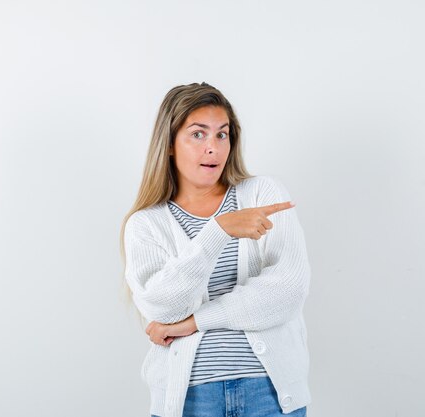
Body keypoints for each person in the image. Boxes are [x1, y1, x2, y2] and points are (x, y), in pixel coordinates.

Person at [120, 82, 311, 417]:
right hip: (190, 401)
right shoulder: (146, 224)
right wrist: (218, 231)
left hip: (268, 393)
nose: (213, 148)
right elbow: (162, 308)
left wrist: (194, 322)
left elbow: (287, 290)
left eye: (222, 134)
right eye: (198, 134)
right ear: (169, 144)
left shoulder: (262, 196)